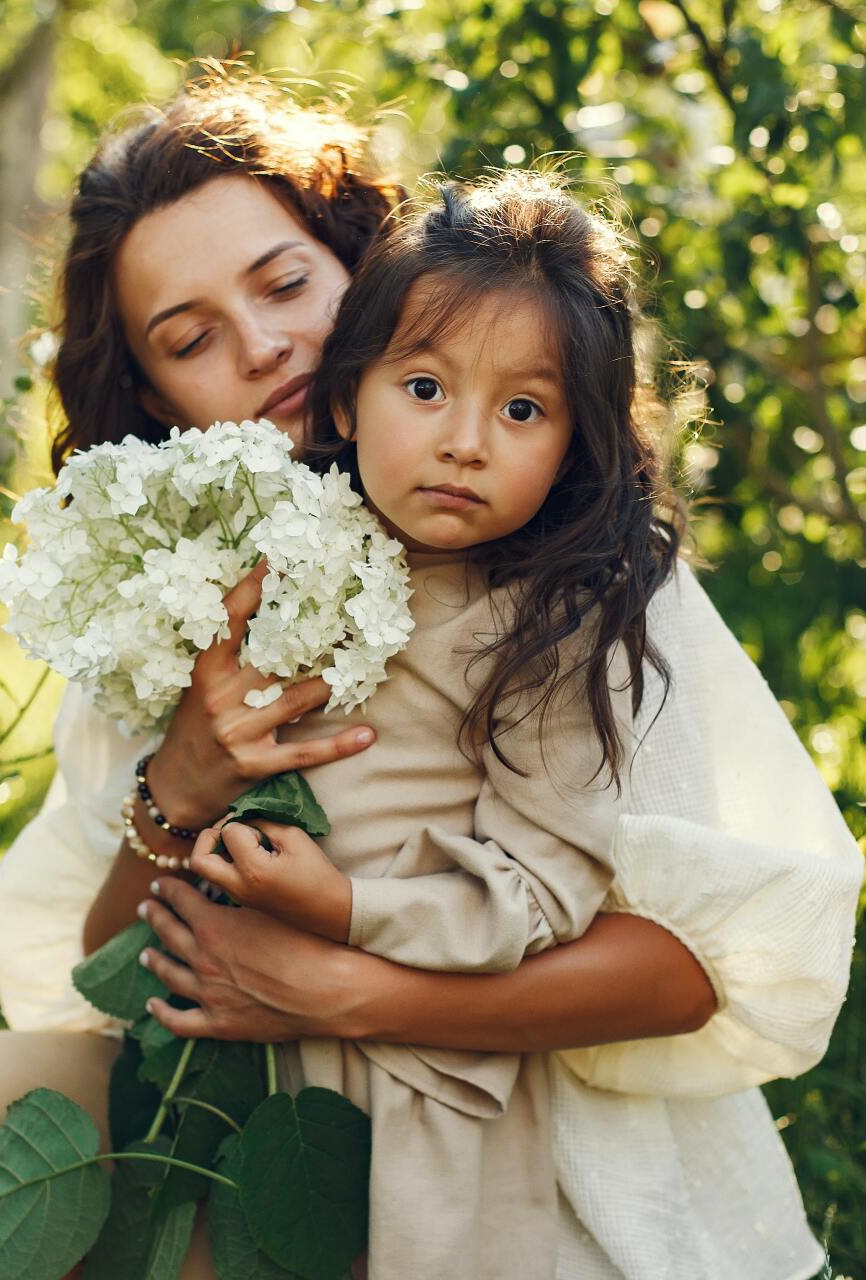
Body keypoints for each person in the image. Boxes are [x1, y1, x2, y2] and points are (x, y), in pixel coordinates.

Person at [0, 66, 862, 1280]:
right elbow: (114, 979)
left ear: (362, 265)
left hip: (530, 1124)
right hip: (266, 1113)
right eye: (191, 339)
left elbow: (684, 966)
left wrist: (342, 988)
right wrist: (179, 780)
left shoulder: (573, 565)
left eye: (286, 283)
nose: (264, 347)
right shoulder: (177, 584)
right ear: (152, 394)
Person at [174, 169, 680, 1278]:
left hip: (426, 1079)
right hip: (247, 1063)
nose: (464, 441)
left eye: (521, 409)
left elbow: (545, 890)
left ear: (573, 446)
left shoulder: (546, 627)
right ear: (346, 398)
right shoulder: (279, 556)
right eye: (424, 388)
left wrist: (345, 904)